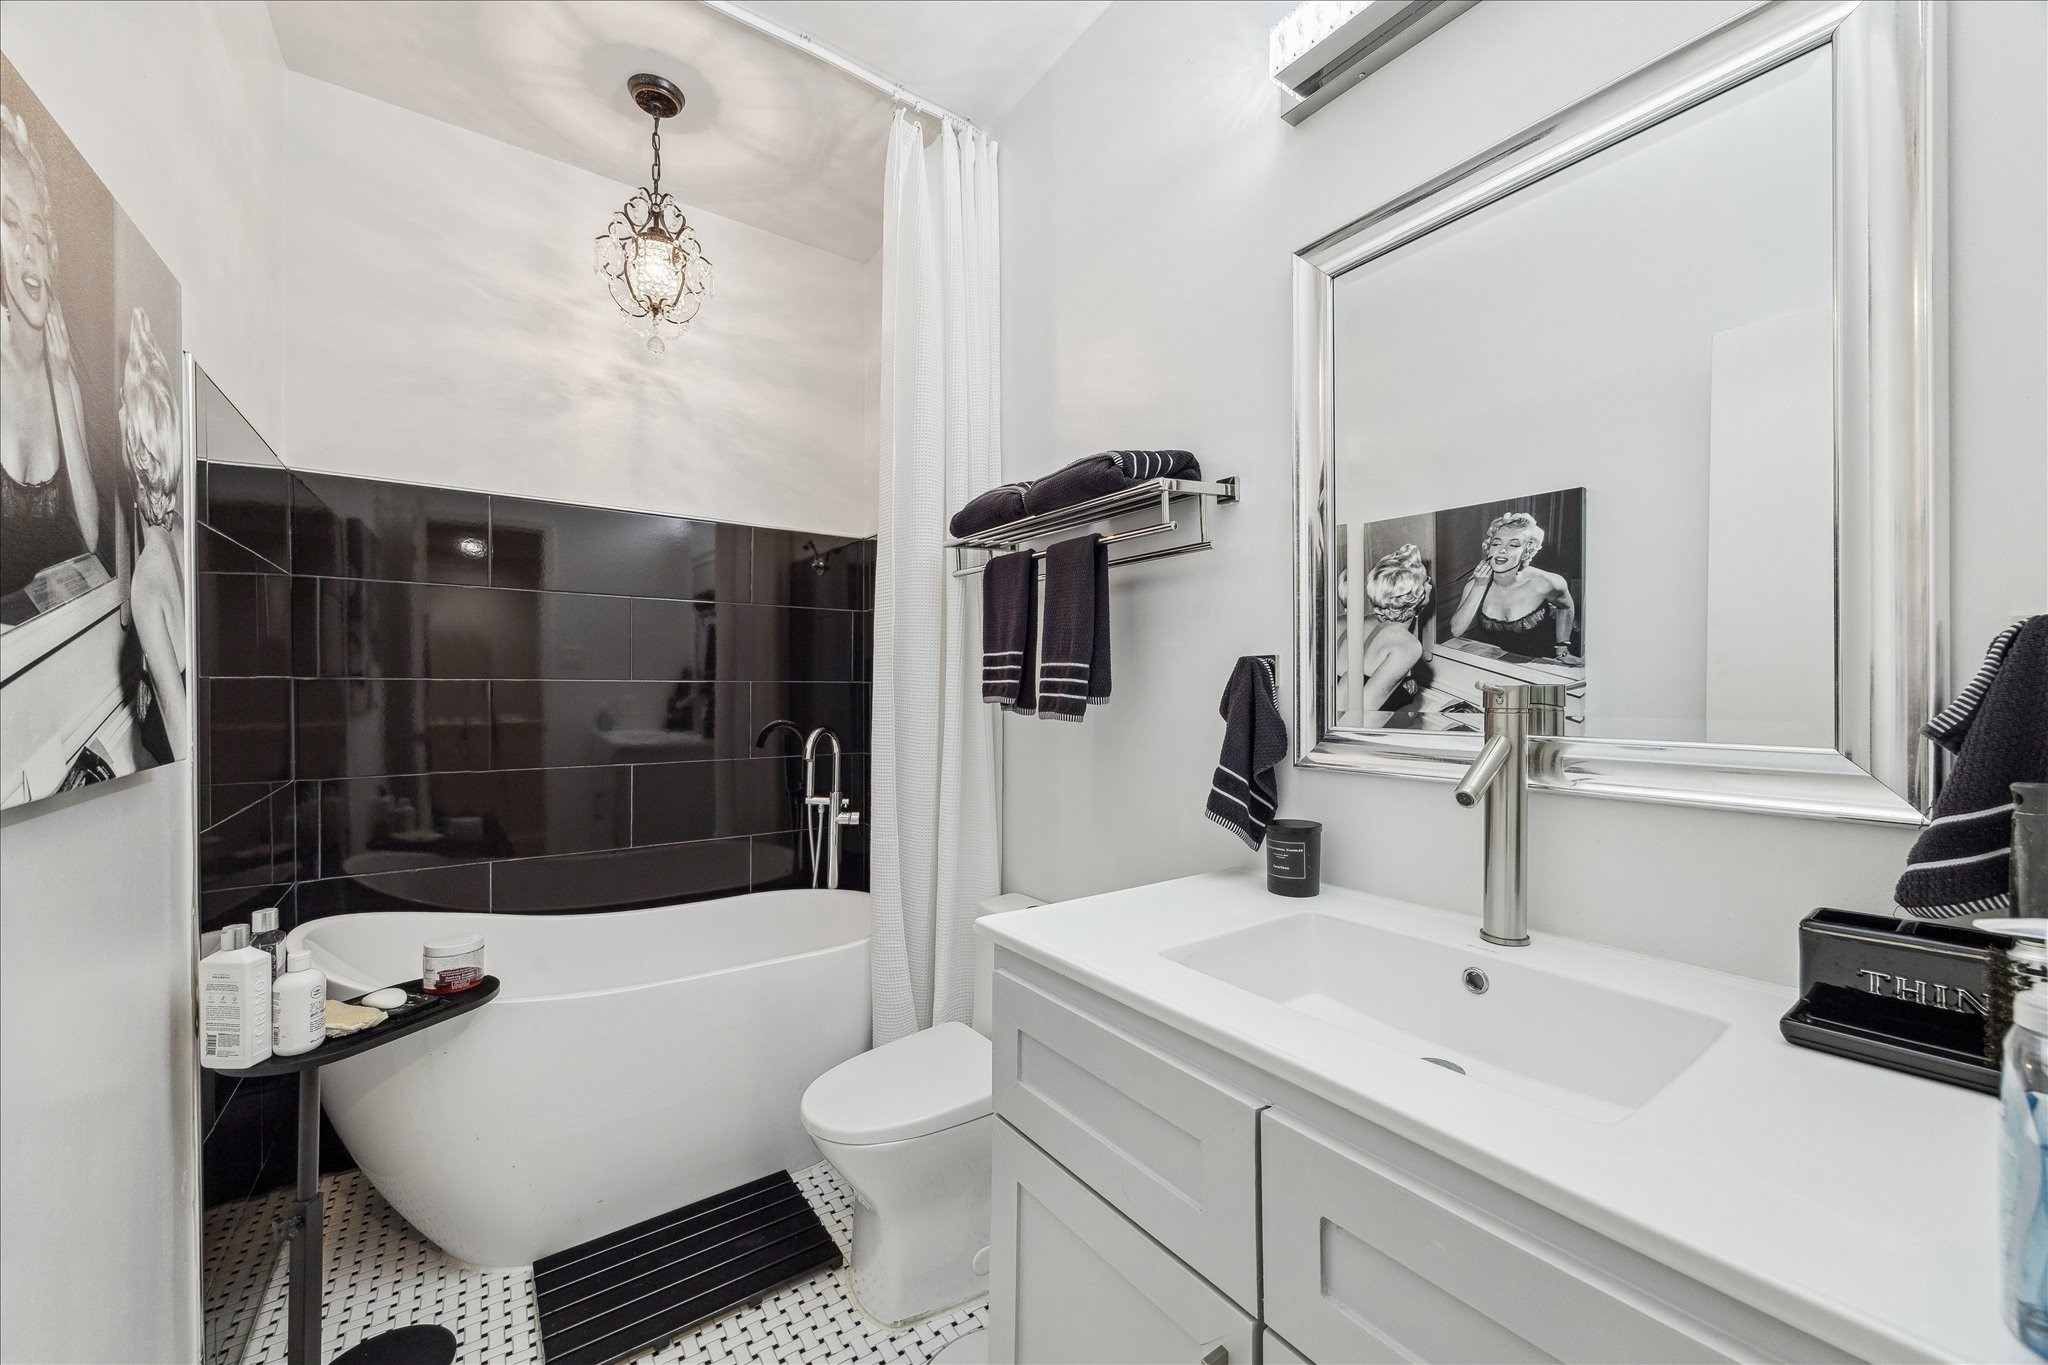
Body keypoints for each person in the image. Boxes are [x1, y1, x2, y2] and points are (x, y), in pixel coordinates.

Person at [0, 102, 100, 600]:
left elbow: (91, 538)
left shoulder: (62, 374)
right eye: (10, 222)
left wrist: (61, 384)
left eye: (37, 232)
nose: (28, 250)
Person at [117, 307, 186, 762]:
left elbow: (182, 748)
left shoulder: (148, 581)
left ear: (140, 453)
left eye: (124, 408)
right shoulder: (178, 534)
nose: (118, 413)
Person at [1447, 511, 1579, 665]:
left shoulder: (1547, 583)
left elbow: (1565, 606)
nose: (1502, 550)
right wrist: (1479, 585)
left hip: (1543, 662)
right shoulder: (1476, 582)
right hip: (1502, 663)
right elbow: (1456, 630)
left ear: (1526, 552)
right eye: (1496, 544)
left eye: (1513, 545)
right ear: (1488, 548)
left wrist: (1562, 649)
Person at [1351, 544, 1435, 715]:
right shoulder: (1408, 646)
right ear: (1418, 597)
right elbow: (1361, 715)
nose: (1430, 585)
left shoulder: (1359, 622)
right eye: (1426, 580)